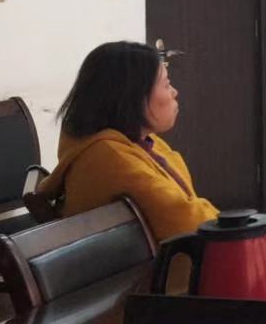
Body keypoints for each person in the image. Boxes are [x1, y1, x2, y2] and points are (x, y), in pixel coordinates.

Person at [37, 41, 218, 241]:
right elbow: (189, 223)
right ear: (133, 97)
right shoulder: (110, 158)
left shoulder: (136, 141)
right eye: (166, 85)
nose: (174, 92)